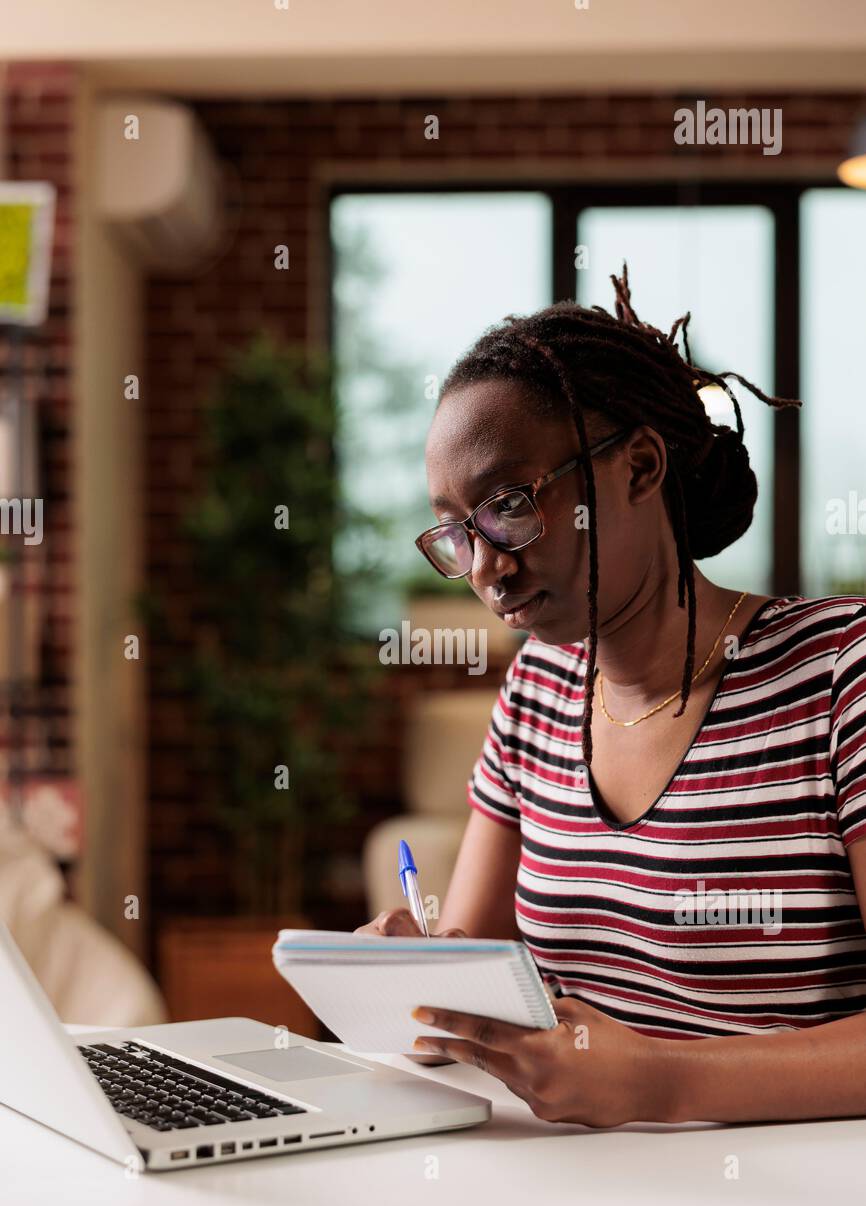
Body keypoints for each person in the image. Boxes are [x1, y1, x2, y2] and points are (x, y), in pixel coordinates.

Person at [356, 265, 866, 1129]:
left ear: (638, 467)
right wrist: (421, 985)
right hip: (578, 1198)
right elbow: (477, 964)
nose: (484, 565)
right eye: (455, 529)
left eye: (509, 505)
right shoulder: (537, 691)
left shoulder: (838, 675)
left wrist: (659, 1081)